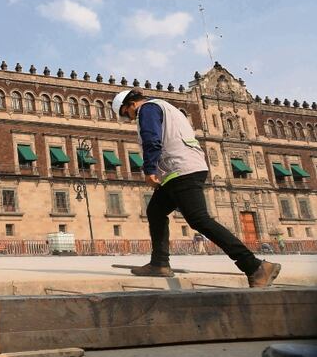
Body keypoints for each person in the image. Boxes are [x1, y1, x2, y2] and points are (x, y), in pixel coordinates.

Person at [111, 88, 280, 287]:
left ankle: (254, 266)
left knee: (199, 219)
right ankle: (159, 264)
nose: (129, 118)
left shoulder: (147, 110)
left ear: (131, 104)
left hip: (181, 169)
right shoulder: (166, 107)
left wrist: (149, 170)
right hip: (183, 169)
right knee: (155, 211)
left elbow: (152, 140)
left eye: (126, 113)